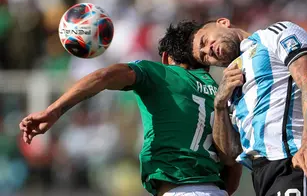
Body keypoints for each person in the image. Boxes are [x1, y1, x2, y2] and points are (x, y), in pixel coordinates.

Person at [19, 22, 242, 196]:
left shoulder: (160, 74)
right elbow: (233, 164)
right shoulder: (219, 91)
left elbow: (104, 76)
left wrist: (55, 110)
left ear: (166, 57)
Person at [170, 19, 307, 196]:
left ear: (223, 22)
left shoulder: (274, 34)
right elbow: (229, 156)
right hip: (263, 175)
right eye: (204, 57)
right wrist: (220, 105)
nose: (208, 50)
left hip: (295, 163)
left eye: (204, 41)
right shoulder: (230, 86)